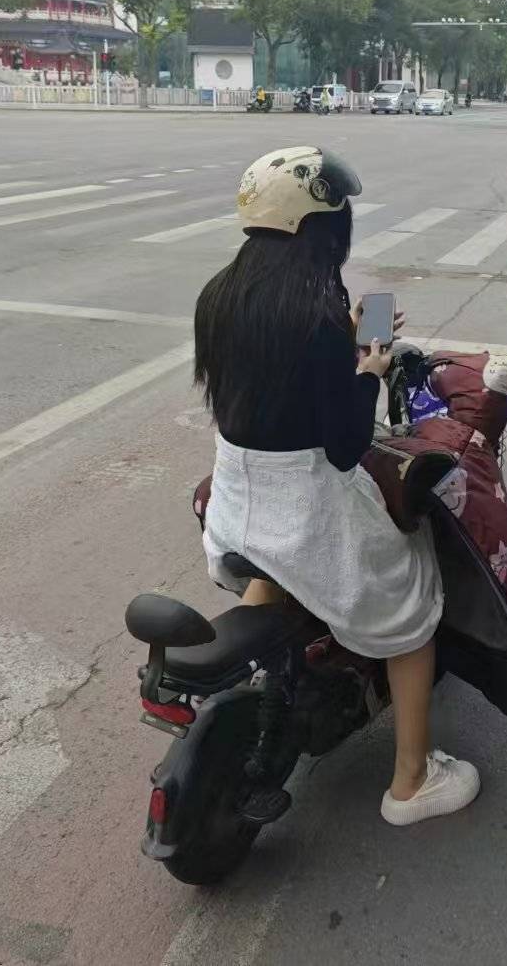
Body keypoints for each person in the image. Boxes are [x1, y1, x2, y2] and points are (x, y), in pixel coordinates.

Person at [194, 146, 480, 826]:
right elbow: (348, 445)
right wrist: (370, 367)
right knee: (411, 598)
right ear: (320, 226)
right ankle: (411, 780)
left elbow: (270, 389)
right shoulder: (316, 311)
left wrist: (344, 342)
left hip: (236, 506)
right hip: (304, 508)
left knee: (276, 563)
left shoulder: (220, 295)